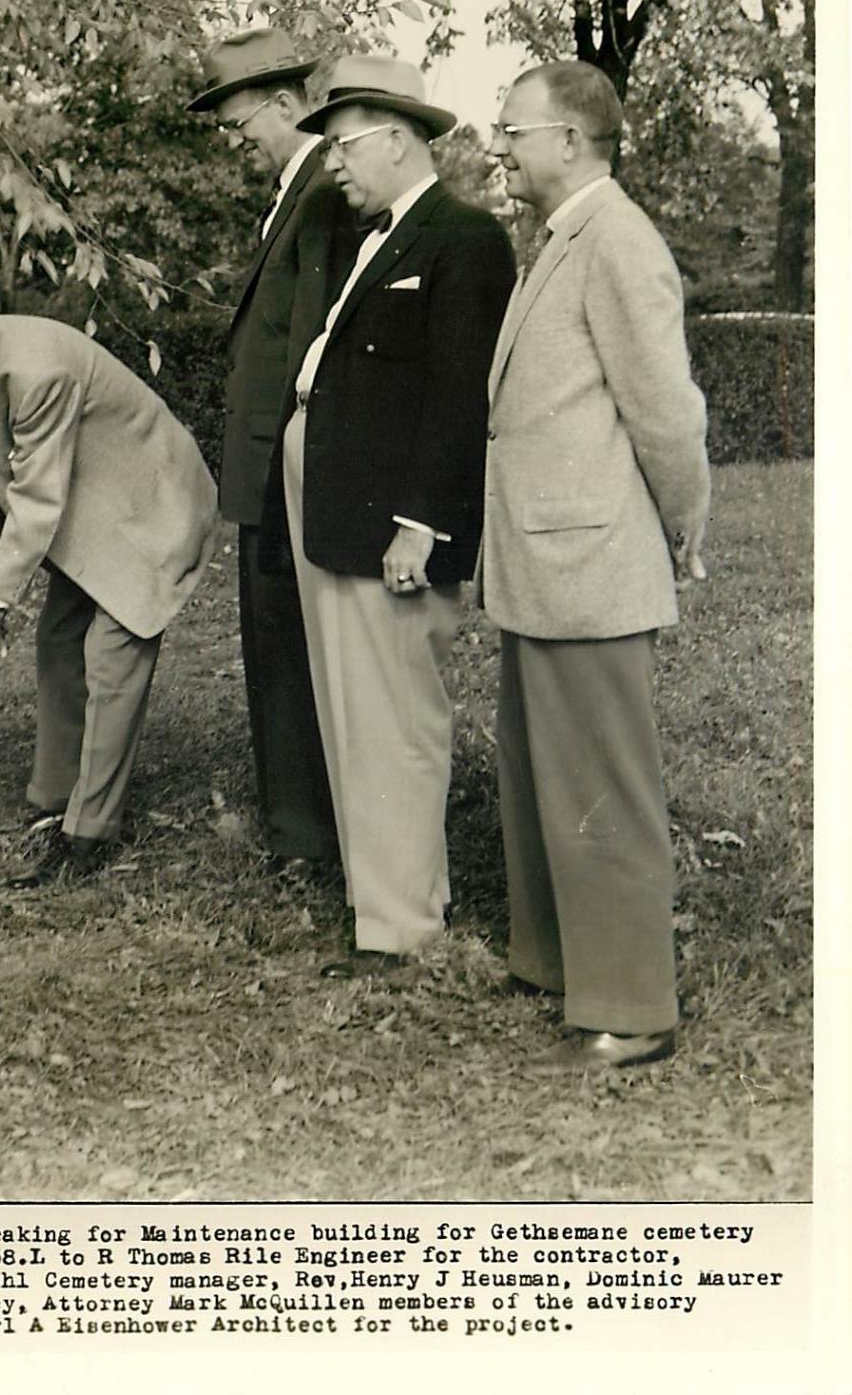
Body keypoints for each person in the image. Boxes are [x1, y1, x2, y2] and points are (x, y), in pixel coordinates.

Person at [263, 57, 516, 979]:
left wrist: (424, 522)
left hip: (389, 520)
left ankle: (404, 925)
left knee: (395, 713)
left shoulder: (465, 238)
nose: (331, 163)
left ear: (400, 138)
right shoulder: (377, 238)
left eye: (343, 144)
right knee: (351, 708)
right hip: (334, 500)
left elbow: (458, 400)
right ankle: (384, 905)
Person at [481, 62, 711, 1069]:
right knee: (542, 772)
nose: (500, 146)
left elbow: (667, 412)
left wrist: (684, 524)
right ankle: (556, 962)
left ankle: (636, 1006)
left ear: (571, 139)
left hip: (590, 560)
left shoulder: (617, 240)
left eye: (514, 129)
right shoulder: (561, 238)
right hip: (546, 557)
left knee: (604, 785)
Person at [0, 274, 218, 884]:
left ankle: (88, 835)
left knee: (111, 657)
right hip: (90, 509)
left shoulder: (37, 369)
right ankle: (55, 799)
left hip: (152, 506)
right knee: (57, 641)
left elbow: (35, 501)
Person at [187, 27, 350, 867]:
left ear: (287, 105)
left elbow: (312, 342)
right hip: (265, 461)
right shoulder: (298, 190)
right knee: (273, 641)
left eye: (240, 122)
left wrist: (292, 458)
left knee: (290, 645)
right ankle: (294, 819)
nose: (236, 142)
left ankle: (306, 833)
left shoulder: (323, 190)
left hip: (290, 459)